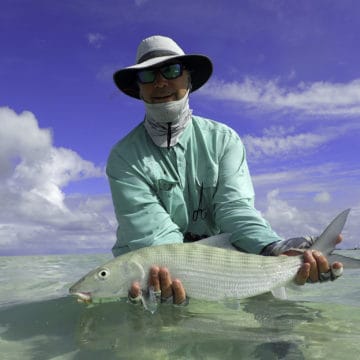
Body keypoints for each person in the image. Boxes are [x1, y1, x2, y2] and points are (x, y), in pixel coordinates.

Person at [106, 35, 343, 305]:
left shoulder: (224, 139)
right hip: (156, 273)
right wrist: (182, 274)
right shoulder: (123, 157)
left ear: (189, 80)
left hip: (221, 258)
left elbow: (235, 209)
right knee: (152, 336)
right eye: (148, 75)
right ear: (139, 88)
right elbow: (155, 240)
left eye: (172, 70)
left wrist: (273, 248)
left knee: (279, 327)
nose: (160, 82)